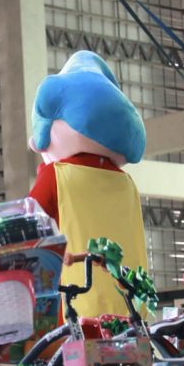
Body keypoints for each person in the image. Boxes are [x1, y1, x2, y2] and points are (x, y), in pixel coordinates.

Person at [27, 50, 148, 317]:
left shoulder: (57, 175)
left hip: (77, 309)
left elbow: (25, 231)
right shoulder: (127, 184)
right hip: (131, 311)